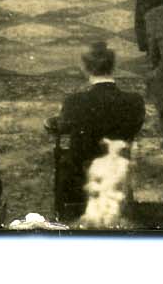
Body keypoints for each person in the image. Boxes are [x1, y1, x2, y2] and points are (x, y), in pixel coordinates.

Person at [50, 43, 145, 222]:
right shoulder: (135, 101)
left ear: (84, 69)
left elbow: (62, 127)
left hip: (81, 170)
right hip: (119, 167)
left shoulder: (74, 102)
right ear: (114, 67)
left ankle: (65, 214)